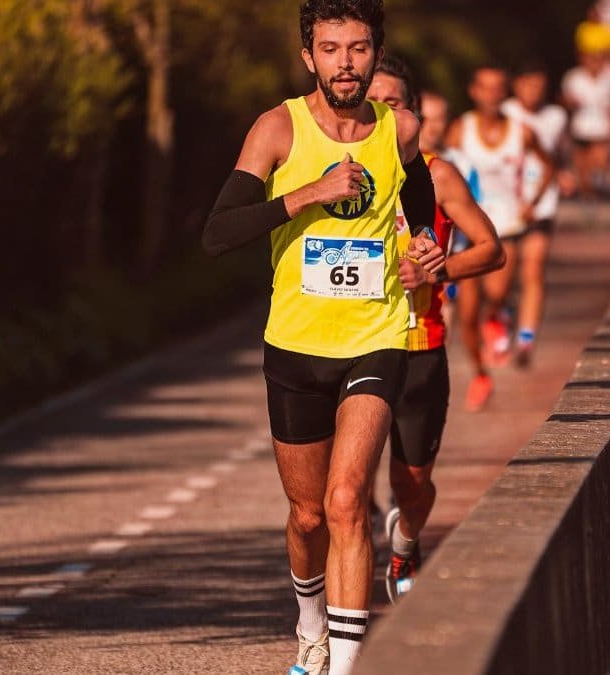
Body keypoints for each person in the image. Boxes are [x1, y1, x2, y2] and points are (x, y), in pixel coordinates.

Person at [200, 2, 444, 673]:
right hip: (297, 345)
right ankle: (309, 617)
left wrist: (423, 249)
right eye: (331, 49)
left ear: (375, 53)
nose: (345, 63)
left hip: (377, 333)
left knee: (345, 501)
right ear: (309, 56)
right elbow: (218, 233)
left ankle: (343, 664)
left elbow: (418, 206)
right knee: (307, 515)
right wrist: (308, 191)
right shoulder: (278, 128)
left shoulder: (399, 130)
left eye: (359, 49)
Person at [365, 56, 505, 603]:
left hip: (419, 346)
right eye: (370, 102)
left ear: (415, 115)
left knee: (412, 486)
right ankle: (335, 619)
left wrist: (437, 268)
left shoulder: (436, 173)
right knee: (343, 491)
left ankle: (404, 541)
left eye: (393, 103)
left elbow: (493, 249)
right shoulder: (335, 173)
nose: (380, 112)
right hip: (350, 347)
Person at [445, 65, 555, 410]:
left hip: (505, 225)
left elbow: (548, 166)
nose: (491, 95)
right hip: (467, 227)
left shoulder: (520, 132)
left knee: (496, 291)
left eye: (498, 88)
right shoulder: (461, 129)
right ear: (473, 91)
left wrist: (532, 202)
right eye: (485, 88)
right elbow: (439, 166)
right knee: (467, 309)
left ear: (504, 92)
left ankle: (499, 313)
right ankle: (480, 375)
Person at [500, 65, 577, 367]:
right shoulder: (505, 113)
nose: (533, 92)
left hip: (542, 202)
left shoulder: (556, 116)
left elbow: (560, 152)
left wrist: (565, 172)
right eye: (527, 85)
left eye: (539, 86)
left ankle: (526, 337)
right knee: (502, 277)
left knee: (533, 269)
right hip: (506, 204)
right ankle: (502, 315)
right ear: (516, 85)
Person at [562, 33, 610, 217]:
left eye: (597, 58)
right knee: (582, 171)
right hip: (580, 129)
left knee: (599, 161)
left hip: (602, 129)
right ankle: (588, 198)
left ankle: (600, 177)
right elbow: (564, 102)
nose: (593, 62)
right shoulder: (573, 78)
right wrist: (570, 103)